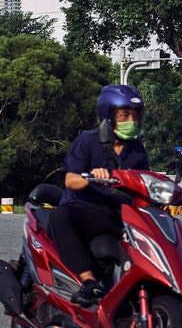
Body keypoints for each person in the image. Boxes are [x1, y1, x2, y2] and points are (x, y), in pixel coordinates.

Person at [50, 84, 150, 307]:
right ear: (108, 114)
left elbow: (144, 182)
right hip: (81, 212)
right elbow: (70, 180)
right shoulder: (87, 141)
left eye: (135, 114)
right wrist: (90, 176)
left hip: (114, 216)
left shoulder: (137, 149)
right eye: (125, 114)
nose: (131, 120)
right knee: (58, 216)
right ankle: (88, 282)